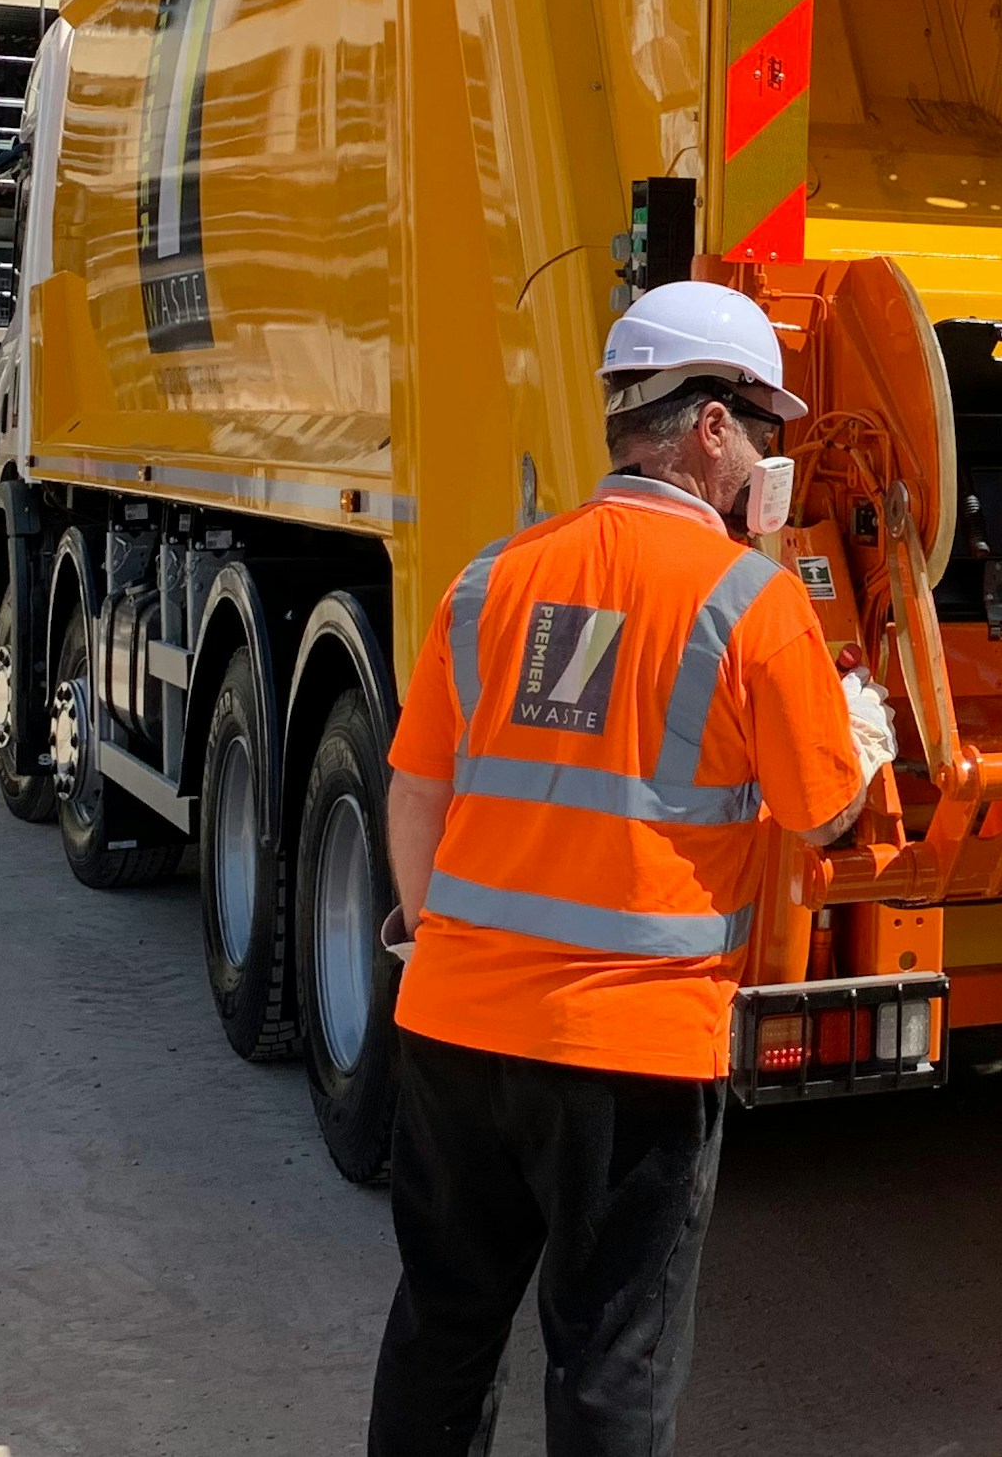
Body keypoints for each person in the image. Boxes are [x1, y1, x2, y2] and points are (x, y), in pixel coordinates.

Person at [367, 279, 879, 1457]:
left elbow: (416, 786)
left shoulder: (488, 579)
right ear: (709, 427)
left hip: (452, 1028)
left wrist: (425, 934)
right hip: (631, 1054)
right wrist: (861, 740)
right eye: (765, 428)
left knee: (442, 1324)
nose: (769, 455)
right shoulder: (753, 603)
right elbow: (827, 818)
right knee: (609, 1358)